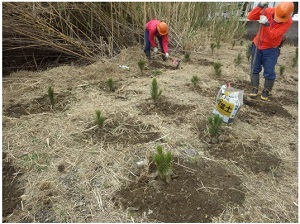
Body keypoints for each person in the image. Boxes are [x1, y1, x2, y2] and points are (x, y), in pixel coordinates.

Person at [248, 2, 294, 101]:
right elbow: (251, 16)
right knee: (254, 68)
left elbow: (273, 35)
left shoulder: (288, 21)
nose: (278, 20)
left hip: (271, 48)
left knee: (269, 71)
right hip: (257, 45)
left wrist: (266, 24)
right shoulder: (267, 11)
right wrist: (259, 5)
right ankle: (254, 87)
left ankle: (266, 89)